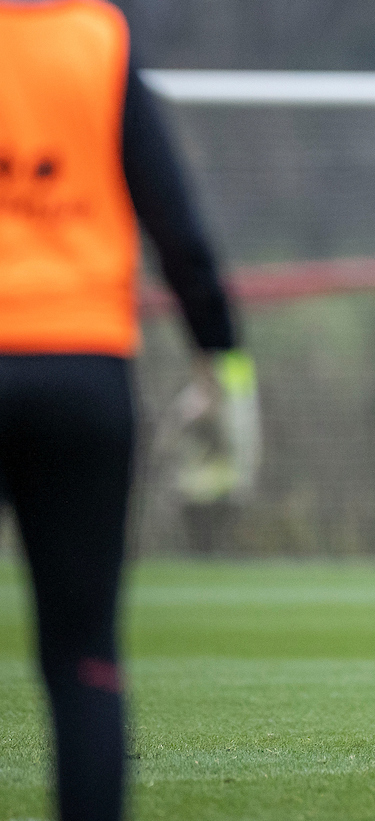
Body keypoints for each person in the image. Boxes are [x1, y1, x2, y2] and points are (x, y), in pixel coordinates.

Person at [0, 2, 246, 818]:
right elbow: (175, 223)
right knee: (84, 658)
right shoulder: (99, 36)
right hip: (83, 374)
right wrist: (222, 357)